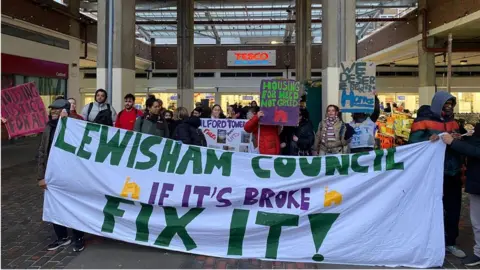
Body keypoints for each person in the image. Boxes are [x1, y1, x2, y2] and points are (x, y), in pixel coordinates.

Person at [408, 91, 465, 258]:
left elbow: (457, 142)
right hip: (432, 173)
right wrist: (428, 140)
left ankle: (450, 242)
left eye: (451, 104)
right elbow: (412, 144)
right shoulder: (422, 121)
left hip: (452, 171)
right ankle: (429, 241)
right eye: (446, 103)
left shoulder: (453, 121)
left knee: (453, 208)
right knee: (431, 208)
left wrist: (457, 138)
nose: (448, 107)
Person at [37, 99, 85, 252]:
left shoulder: (75, 126)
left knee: (74, 206)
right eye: (52, 110)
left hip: (70, 175)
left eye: (58, 110)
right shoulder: (48, 128)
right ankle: (61, 237)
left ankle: (78, 237)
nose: (54, 113)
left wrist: (67, 123)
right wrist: (40, 176)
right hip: (53, 175)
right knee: (55, 206)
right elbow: (42, 152)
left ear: (65, 111)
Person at [441, 125, 480, 266]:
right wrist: (463, 138)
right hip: (476, 183)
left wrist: (454, 142)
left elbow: (476, 150)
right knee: (477, 221)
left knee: (478, 221)